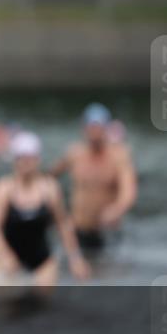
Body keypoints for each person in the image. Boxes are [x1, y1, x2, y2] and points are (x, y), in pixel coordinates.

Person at [0, 131, 90, 289]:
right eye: (21, 158)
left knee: (44, 308)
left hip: (42, 261)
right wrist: (4, 255)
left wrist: (75, 259)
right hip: (8, 258)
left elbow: (63, 225)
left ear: (37, 159)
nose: (25, 163)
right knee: (6, 306)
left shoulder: (50, 189)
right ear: (14, 160)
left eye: (29, 158)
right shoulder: (4, 189)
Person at [49, 103, 137, 256]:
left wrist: (117, 209)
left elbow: (129, 193)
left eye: (99, 127)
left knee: (107, 275)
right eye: (91, 127)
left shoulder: (118, 157)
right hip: (78, 228)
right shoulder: (75, 153)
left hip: (106, 230)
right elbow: (49, 178)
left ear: (106, 129)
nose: (94, 132)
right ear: (84, 128)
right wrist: (57, 211)